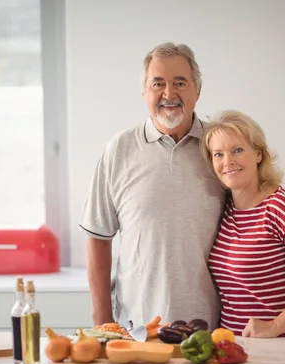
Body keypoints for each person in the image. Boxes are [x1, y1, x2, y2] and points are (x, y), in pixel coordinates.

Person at [78, 43, 226, 329]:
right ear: (144, 91)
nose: (168, 94)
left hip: (214, 328)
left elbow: (253, 217)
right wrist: (102, 321)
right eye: (158, 83)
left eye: (179, 83)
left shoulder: (221, 147)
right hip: (136, 328)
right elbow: (98, 237)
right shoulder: (119, 149)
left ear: (197, 90)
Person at [200, 110, 285, 338]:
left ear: (258, 154)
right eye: (218, 154)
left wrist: (275, 326)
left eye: (237, 150)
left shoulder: (281, 206)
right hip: (236, 352)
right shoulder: (225, 209)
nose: (228, 162)